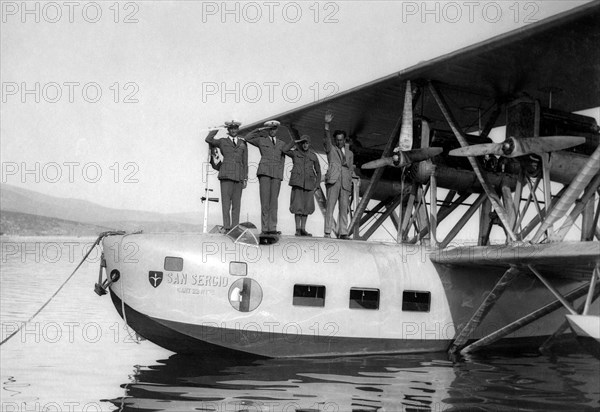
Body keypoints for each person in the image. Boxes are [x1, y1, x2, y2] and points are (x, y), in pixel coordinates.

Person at [244, 120, 287, 235]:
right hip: (264, 172)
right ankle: (265, 229)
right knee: (265, 202)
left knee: (274, 202)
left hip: (276, 174)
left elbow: (283, 159)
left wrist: (280, 175)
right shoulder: (261, 140)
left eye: (274, 129)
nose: (272, 131)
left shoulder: (282, 143)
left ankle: (272, 228)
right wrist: (259, 130)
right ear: (267, 130)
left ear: (277, 130)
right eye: (270, 129)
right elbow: (247, 137)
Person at [205, 120, 248, 231]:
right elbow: (208, 140)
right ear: (228, 130)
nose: (234, 130)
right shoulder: (222, 141)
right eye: (231, 128)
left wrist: (245, 178)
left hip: (238, 176)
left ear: (238, 129)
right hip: (226, 175)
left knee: (236, 205)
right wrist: (217, 128)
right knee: (226, 204)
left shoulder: (243, 143)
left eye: (235, 128)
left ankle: (235, 228)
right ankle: (227, 227)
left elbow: (245, 162)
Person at [323, 111, 355, 239]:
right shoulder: (331, 149)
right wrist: (326, 124)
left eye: (341, 140)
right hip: (333, 181)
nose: (339, 142)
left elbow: (351, 169)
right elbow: (327, 138)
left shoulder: (350, 154)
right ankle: (327, 232)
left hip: (345, 184)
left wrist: (350, 183)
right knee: (330, 207)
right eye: (337, 140)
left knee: (344, 209)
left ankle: (343, 233)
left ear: (344, 140)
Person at [282, 135, 322, 236]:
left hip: (309, 184)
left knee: (306, 208)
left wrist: (317, 185)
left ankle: (303, 229)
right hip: (297, 183)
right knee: (297, 207)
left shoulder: (313, 156)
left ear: (309, 144)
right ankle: (298, 229)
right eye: (303, 143)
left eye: (307, 143)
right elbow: (284, 150)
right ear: (300, 143)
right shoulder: (295, 153)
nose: (305, 145)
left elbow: (319, 171)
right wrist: (294, 141)